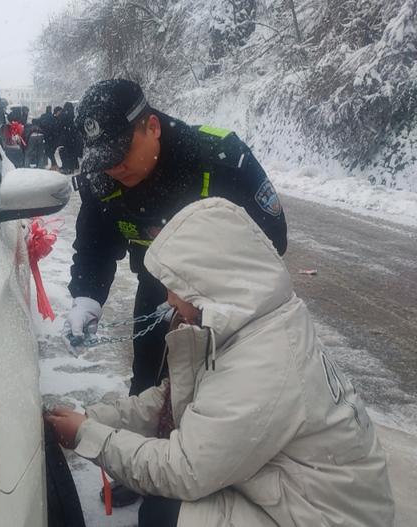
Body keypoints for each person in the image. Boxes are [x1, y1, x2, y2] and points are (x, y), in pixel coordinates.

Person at [47, 197, 395, 527]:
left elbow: (183, 471)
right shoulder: (253, 323)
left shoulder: (262, 366)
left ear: (209, 280)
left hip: (324, 517)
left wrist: (87, 436)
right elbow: (174, 400)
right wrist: (94, 418)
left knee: (166, 512)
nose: (167, 297)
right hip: (301, 494)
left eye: (175, 284)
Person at [64, 78, 288, 506]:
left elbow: (272, 238)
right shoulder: (103, 177)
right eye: (104, 160)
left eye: (120, 154)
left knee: (213, 391)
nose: (114, 169)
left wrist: (202, 279)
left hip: (226, 303)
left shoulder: (218, 158)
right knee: (149, 381)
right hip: (157, 292)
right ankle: (141, 470)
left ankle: (212, 468)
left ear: (152, 126)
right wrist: (86, 296)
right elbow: (93, 243)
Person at [57, 101, 82, 174]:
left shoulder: (62, 114)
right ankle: (73, 166)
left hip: (65, 137)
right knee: (73, 152)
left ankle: (66, 167)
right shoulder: (75, 114)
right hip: (74, 136)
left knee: (64, 152)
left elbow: (59, 126)